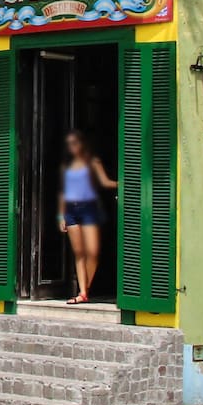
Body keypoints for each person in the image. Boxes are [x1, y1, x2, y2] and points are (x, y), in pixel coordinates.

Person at [59, 130, 117, 305]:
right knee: (79, 253)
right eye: (69, 144)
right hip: (71, 210)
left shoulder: (93, 161)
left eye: (75, 143)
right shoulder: (67, 166)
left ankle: (85, 289)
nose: (72, 147)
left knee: (92, 253)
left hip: (89, 209)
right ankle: (83, 292)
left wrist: (126, 182)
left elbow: (106, 182)